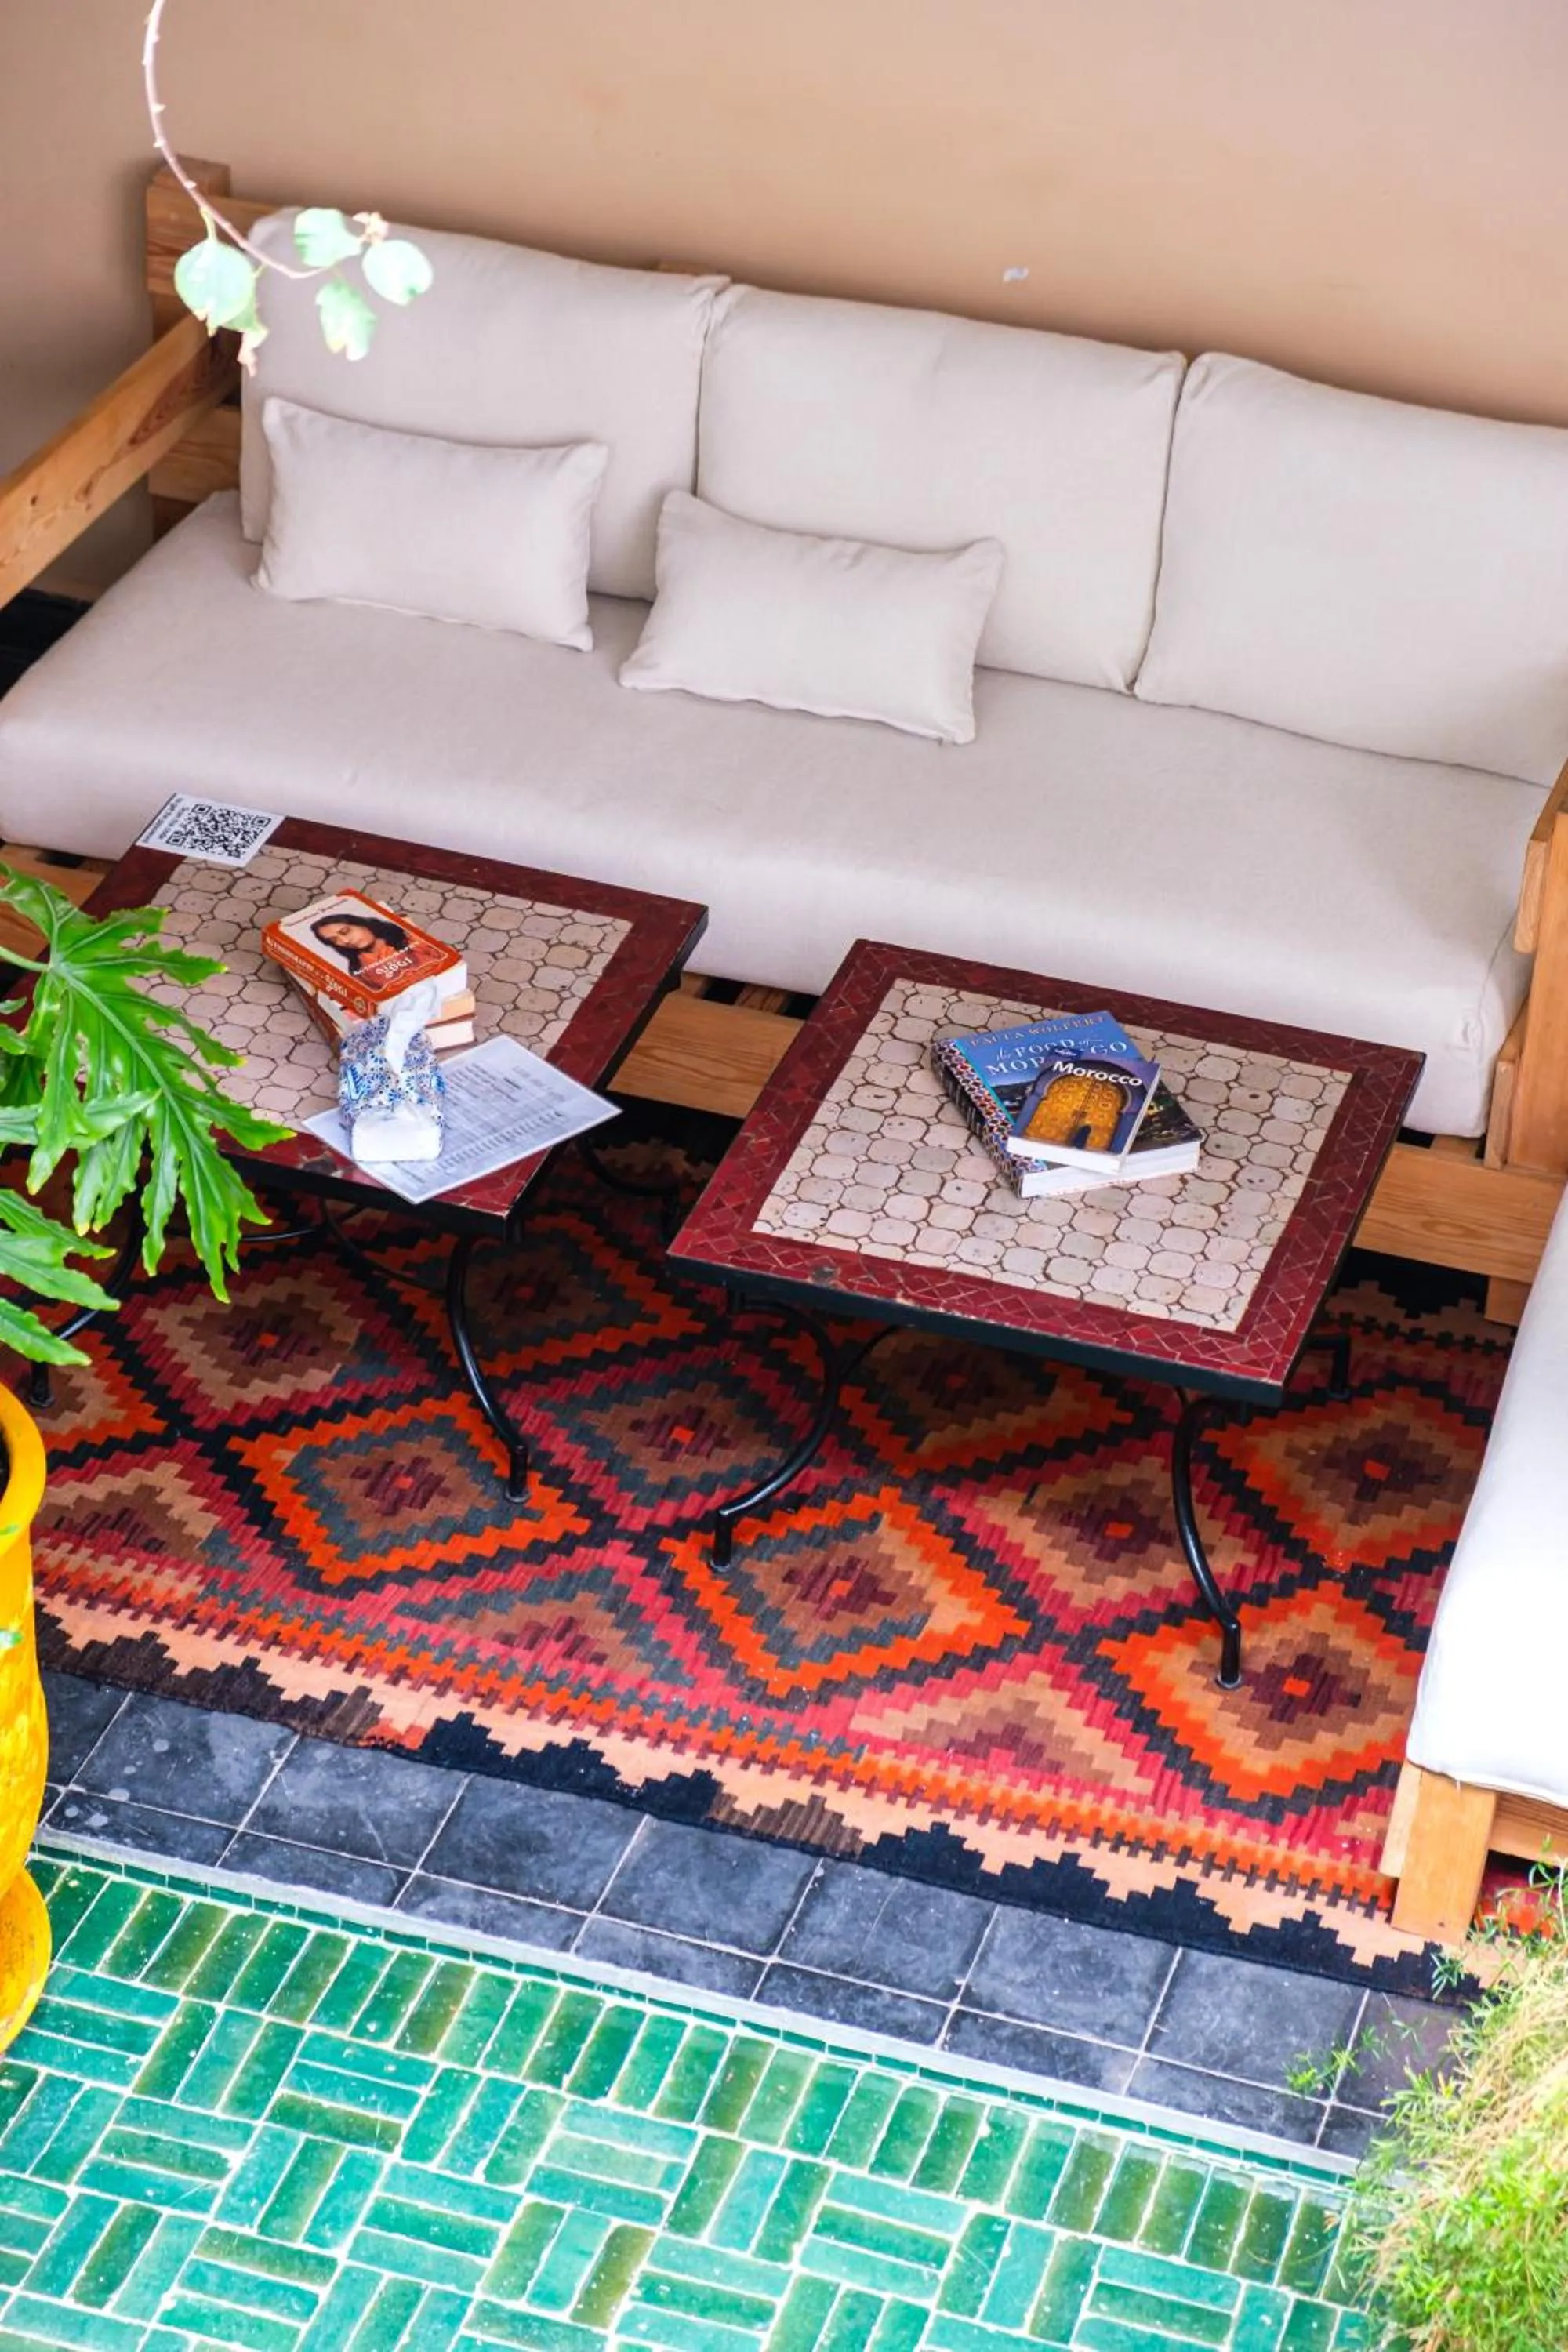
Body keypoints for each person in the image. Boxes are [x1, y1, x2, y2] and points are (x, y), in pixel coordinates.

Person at [310, 912, 411, 975]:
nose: (345, 941)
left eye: (345, 931)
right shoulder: (358, 969)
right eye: (334, 940)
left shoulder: (405, 933)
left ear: (360, 923)